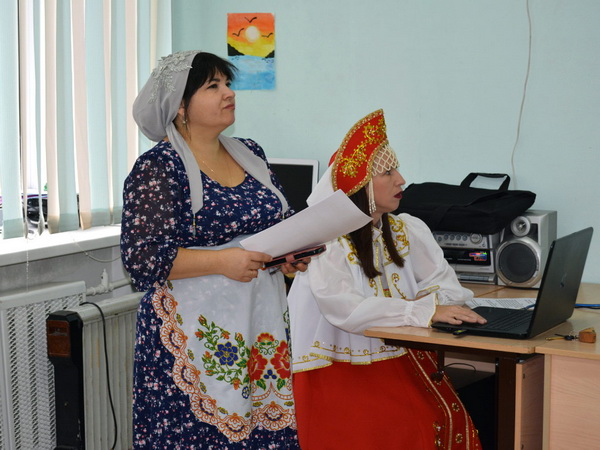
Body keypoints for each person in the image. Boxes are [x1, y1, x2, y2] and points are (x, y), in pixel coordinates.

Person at [121, 50, 305, 448]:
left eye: (228, 84)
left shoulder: (250, 153)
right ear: (180, 106)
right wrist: (223, 261)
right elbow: (143, 260)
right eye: (213, 86)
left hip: (258, 324)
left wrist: (289, 255)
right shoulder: (159, 167)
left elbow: (281, 223)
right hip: (191, 336)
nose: (229, 93)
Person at [287, 109, 486, 449]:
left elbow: (447, 286)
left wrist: (433, 306)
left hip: (397, 356)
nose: (401, 180)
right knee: (410, 427)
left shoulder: (405, 228)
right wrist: (421, 311)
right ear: (359, 185)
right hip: (336, 368)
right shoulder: (327, 241)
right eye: (388, 172)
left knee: (443, 417)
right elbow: (346, 310)